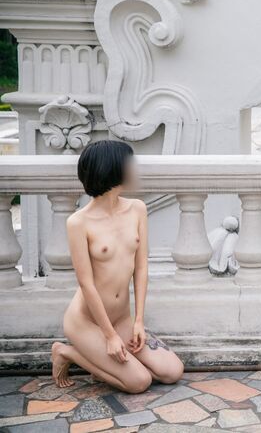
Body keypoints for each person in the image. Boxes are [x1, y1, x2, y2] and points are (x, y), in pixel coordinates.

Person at [51, 141, 183, 393]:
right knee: (139, 382)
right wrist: (110, 336)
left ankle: (104, 362)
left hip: (121, 318)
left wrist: (138, 321)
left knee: (172, 371)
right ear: (111, 169)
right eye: (129, 164)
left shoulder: (137, 209)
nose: (135, 169)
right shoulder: (78, 222)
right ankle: (66, 352)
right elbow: (86, 284)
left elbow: (141, 267)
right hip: (86, 321)